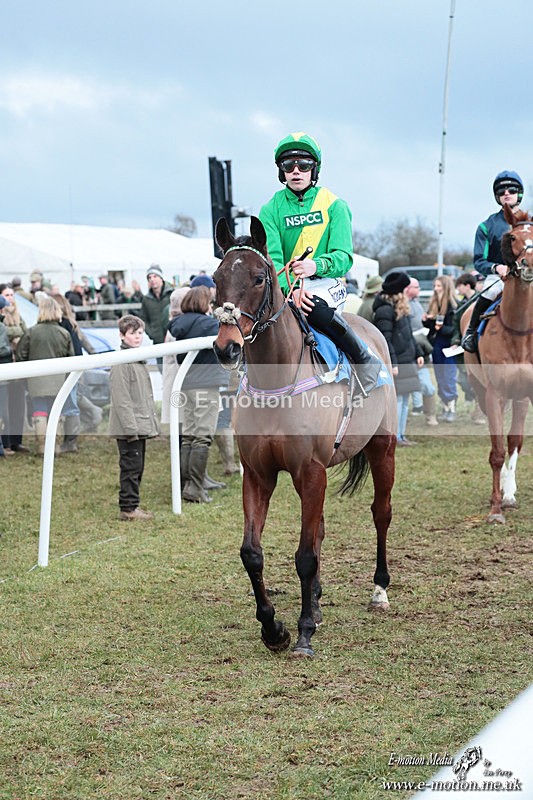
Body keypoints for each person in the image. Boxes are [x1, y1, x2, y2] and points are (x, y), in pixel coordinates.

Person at [259, 132, 381, 395]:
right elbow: (273, 259)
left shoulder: (335, 205)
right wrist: (289, 288)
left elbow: (343, 257)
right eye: (288, 166)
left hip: (325, 283)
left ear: (314, 169)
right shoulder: (270, 209)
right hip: (285, 286)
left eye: (303, 165)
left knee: (314, 309)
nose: (296, 171)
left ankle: (364, 360)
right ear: (281, 171)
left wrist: (315, 266)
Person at [168, 286, 229, 503]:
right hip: (206, 386)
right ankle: (194, 486)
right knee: (202, 436)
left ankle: (190, 482)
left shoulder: (180, 323)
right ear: (203, 303)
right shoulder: (209, 324)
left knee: (191, 435)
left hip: (186, 385)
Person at [461, 170, 524, 352]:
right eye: (502, 191)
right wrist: (497, 268)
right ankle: (471, 332)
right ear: (497, 196)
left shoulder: (529, 223)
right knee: (491, 292)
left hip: (527, 276)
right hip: (499, 278)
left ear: (518, 194)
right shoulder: (486, 226)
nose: (506, 193)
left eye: (511, 190)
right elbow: (479, 261)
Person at [108, 315, 159, 521]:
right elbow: (122, 399)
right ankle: (128, 508)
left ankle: (132, 504)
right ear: (122, 335)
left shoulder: (138, 359)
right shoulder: (122, 362)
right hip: (130, 427)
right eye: (132, 333)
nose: (137, 337)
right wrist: (131, 429)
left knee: (137, 466)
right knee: (130, 467)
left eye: (139, 333)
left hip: (139, 424)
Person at [16, 295, 74, 455]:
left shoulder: (31, 332)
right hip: (58, 379)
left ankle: (42, 447)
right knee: (57, 411)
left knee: (39, 409)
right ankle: (54, 447)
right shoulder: (64, 333)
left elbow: (21, 354)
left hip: (36, 380)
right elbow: (72, 359)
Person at [372, 271, 424, 446]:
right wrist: (392, 363)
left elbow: (409, 335)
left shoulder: (400, 308)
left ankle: (400, 435)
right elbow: (384, 340)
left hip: (407, 360)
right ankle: (395, 436)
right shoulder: (384, 311)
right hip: (397, 363)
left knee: (405, 401)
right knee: (398, 401)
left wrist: (418, 353)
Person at [452, 273, 486, 424]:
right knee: (463, 380)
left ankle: (480, 409)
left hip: (478, 343)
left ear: (466, 285)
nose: (457, 289)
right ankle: (476, 402)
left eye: (459, 285)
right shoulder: (461, 304)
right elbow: (455, 325)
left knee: (479, 378)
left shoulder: (482, 299)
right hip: (461, 346)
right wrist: (455, 339)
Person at [423, 275, 458, 422]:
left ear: (446, 287)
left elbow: (454, 330)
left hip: (450, 346)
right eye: (435, 286)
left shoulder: (454, 306)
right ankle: (445, 407)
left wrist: (440, 327)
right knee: (440, 377)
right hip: (437, 344)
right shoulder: (434, 303)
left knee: (449, 376)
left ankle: (452, 409)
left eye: (439, 286)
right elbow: (432, 328)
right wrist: (427, 321)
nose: (436, 289)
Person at [0, 283, 29, 452]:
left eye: (12, 295)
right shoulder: (3, 321)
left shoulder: (19, 315)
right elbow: (11, 332)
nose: (10, 298)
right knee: (5, 407)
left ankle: (16, 441)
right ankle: (6, 442)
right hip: (5, 365)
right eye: (6, 295)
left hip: (18, 364)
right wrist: (15, 331)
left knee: (18, 404)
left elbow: (24, 332)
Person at [405, 277, 438, 426]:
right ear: (408, 289)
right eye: (416, 287)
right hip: (407, 353)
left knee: (428, 387)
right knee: (403, 390)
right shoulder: (402, 305)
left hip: (420, 352)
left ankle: (430, 415)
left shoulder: (416, 303)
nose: (419, 289)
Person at [140, 265, 173, 370]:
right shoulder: (146, 299)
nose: (152, 280)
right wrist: (152, 333)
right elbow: (143, 319)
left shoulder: (172, 294)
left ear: (161, 277)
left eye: (155, 276)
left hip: (173, 338)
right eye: (149, 277)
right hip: (157, 341)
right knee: (162, 370)